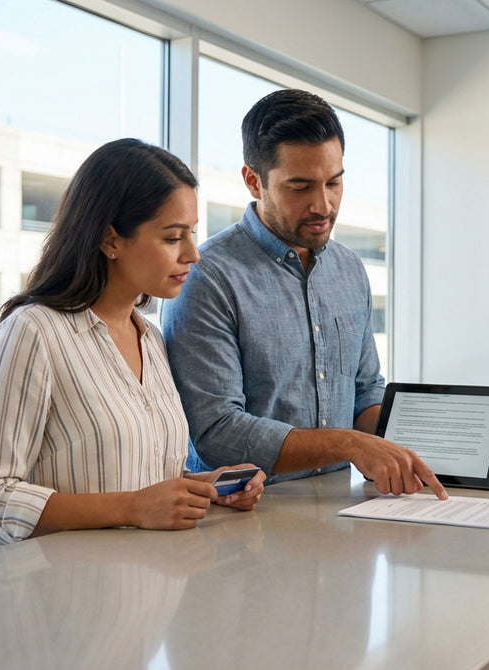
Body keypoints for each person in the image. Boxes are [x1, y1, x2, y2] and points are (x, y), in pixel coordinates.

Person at [0, 139, 265, 546]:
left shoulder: (149, 337)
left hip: (148, 590)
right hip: (65, 597)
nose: (193, 254)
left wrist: (203, 488)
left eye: (191, 234)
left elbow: (133, 477)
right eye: (173, 238)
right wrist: (132, 508)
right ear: (110, 240)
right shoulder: (33, 332)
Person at [162, 89, 446, 499]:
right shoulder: (208, 276)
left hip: (345, 505)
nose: (323, 205)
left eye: (334, 182)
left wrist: (428, 444)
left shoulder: (350, 270)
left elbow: (364, 392)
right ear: (253, 180)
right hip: (246, 517)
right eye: (300, 187)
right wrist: (349, 444)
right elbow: (216, 430)